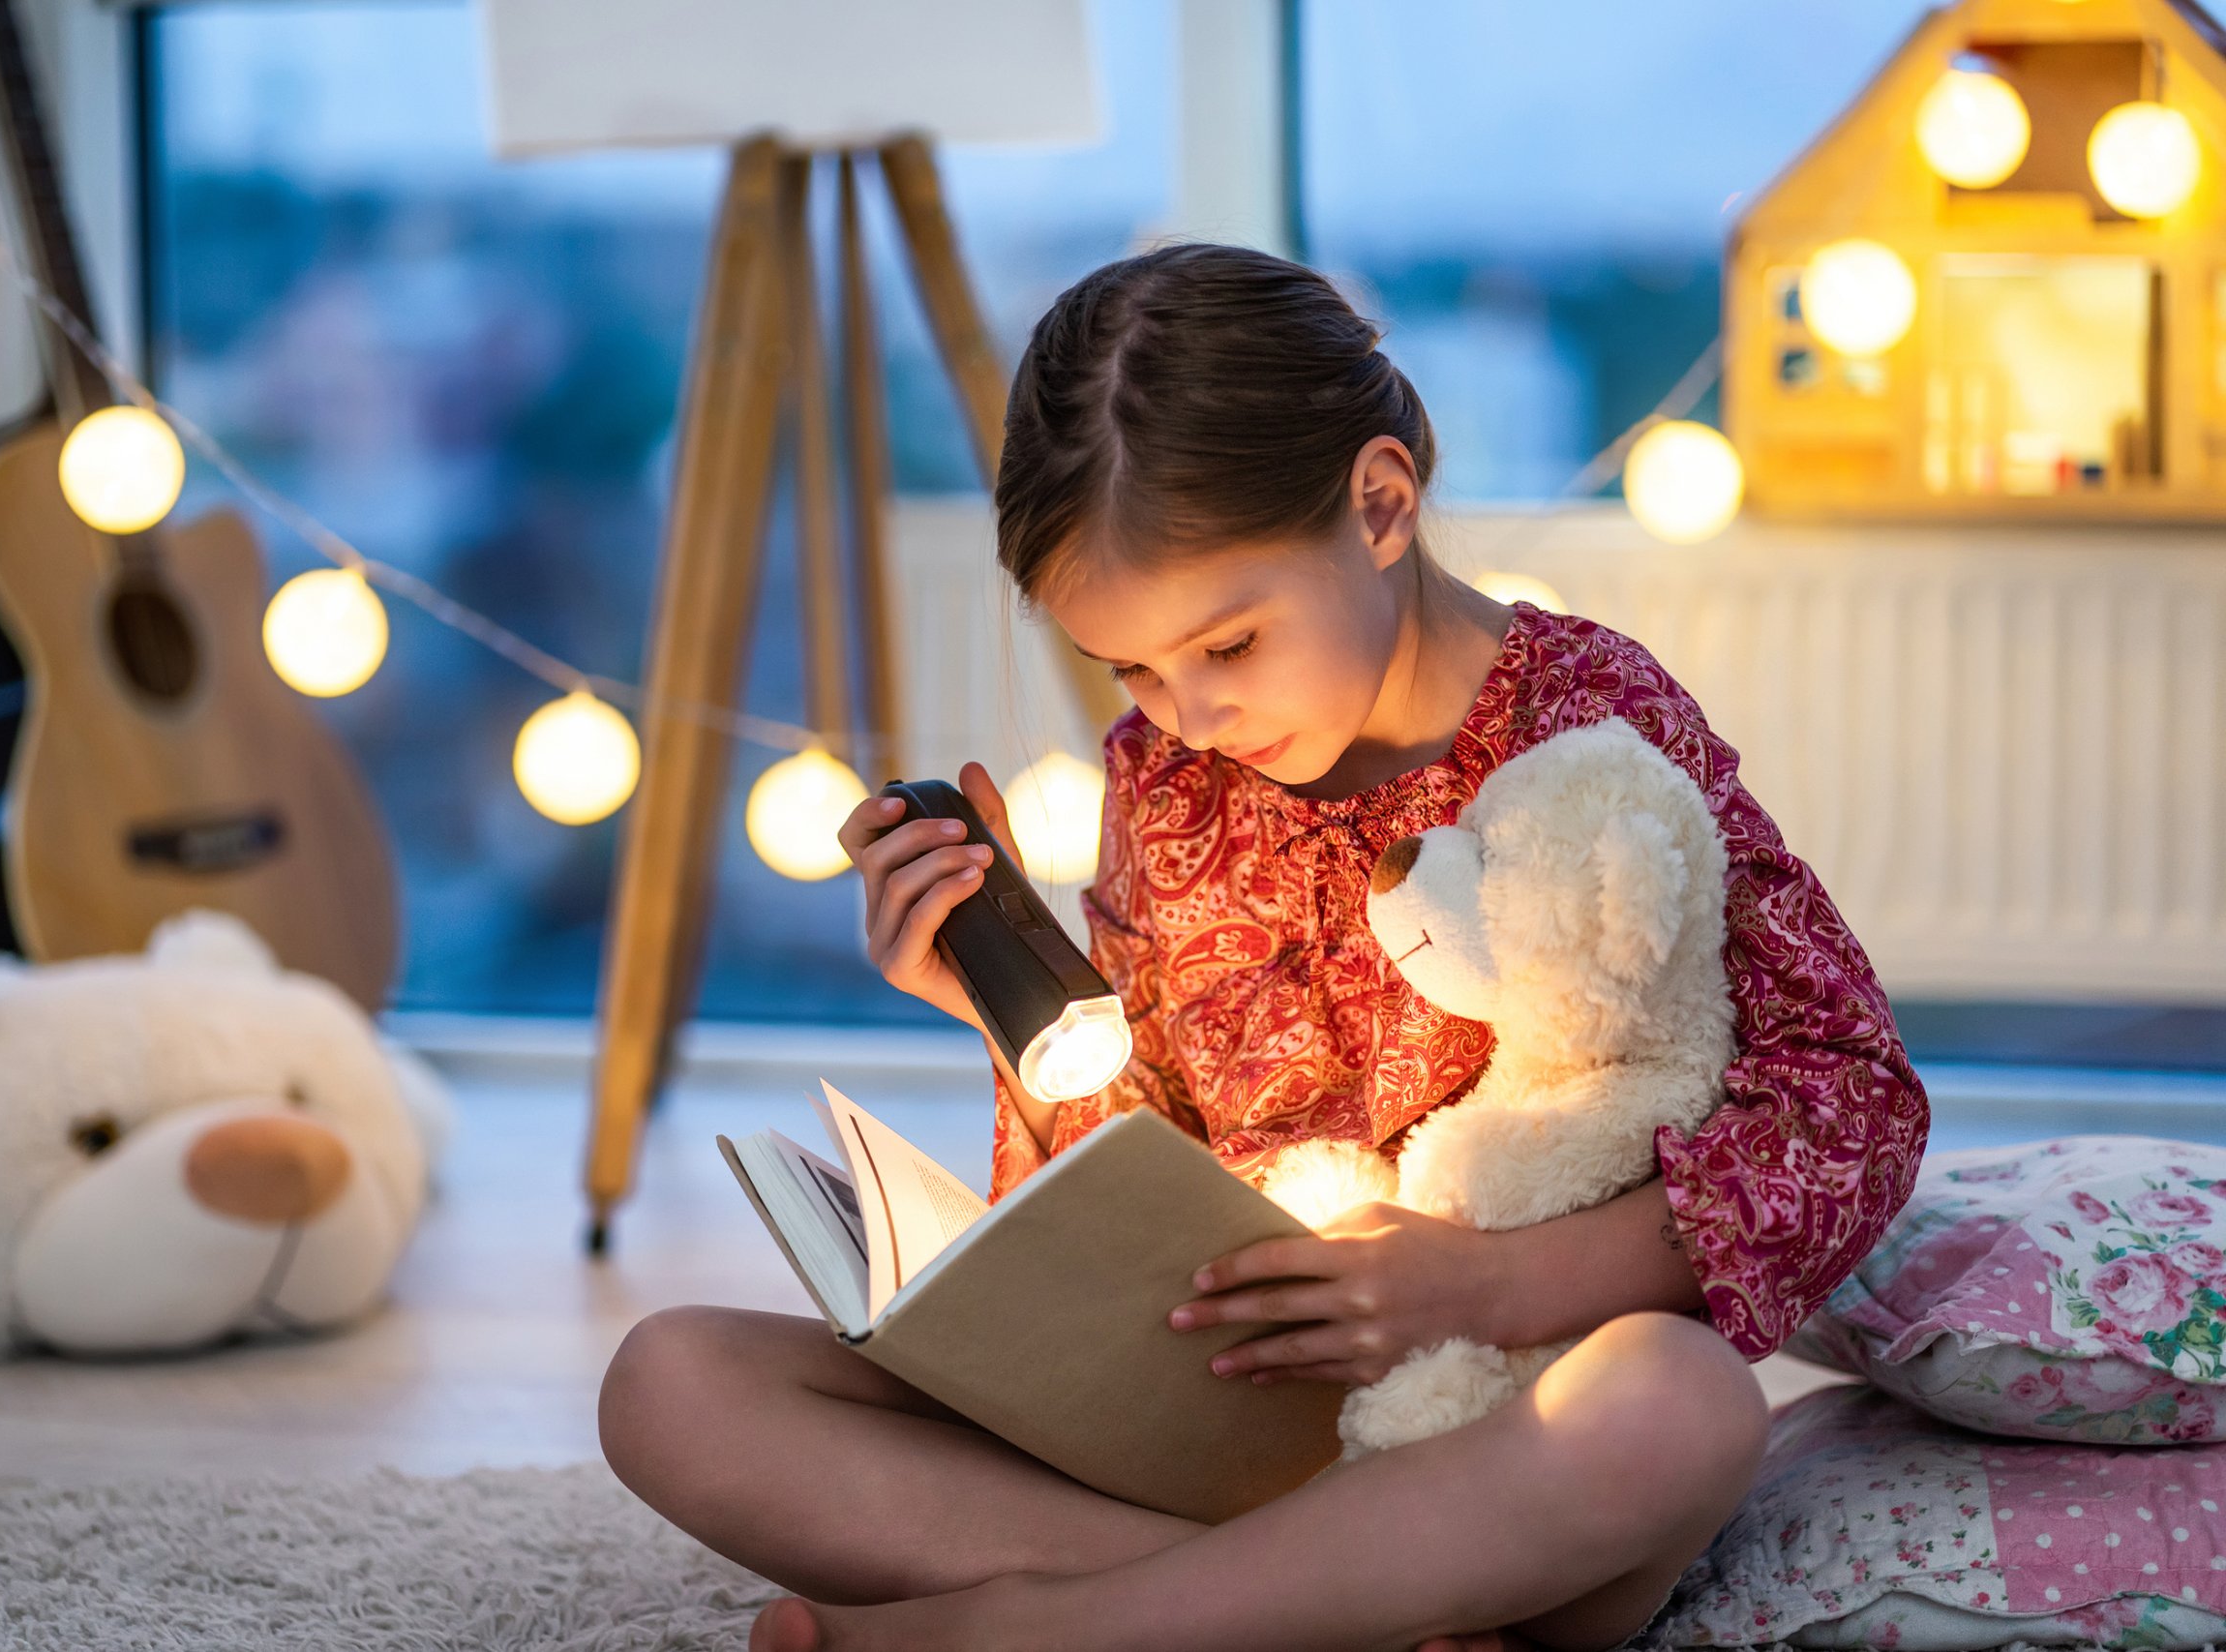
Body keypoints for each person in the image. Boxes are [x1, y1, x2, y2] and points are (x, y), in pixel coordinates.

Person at [597, 243, 1929, 1652]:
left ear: (1379, 506)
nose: (1189, 715)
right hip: (1230, 1417)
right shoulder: (1163, 782)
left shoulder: (1594, 724)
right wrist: (1001, 1004)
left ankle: (1044, 1629)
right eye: (1135, 670)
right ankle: (1319, 1612)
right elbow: (1125, 1188)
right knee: (669, 1381)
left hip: (1496, 1412)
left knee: (1680, 1404)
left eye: (1228, 646)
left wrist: (1485, 1286)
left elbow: (1852, 1105)